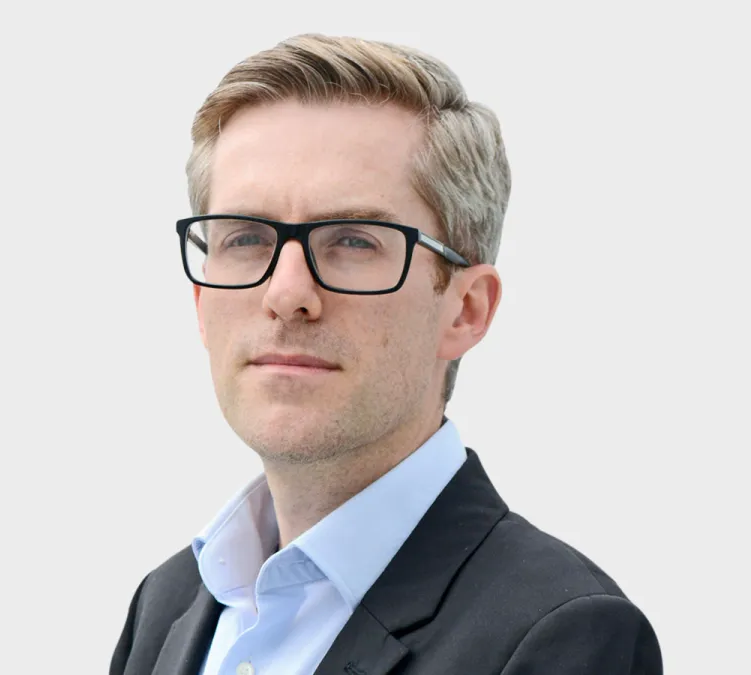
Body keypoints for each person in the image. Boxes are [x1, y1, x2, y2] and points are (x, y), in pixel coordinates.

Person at [111, 33, 662, 675]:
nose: (286, 294)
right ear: (201, 302)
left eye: (354, 240)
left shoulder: (562, 634)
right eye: (246, 238)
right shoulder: (166, 606)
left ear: (466, 309)